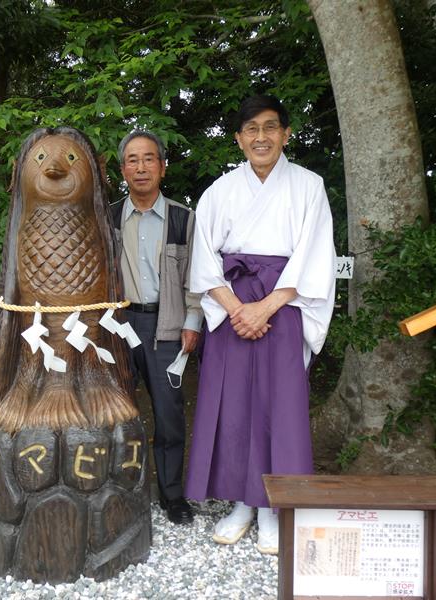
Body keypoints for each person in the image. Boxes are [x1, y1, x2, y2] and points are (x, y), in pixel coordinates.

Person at [185, 95, 336, 553]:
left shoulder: (309, 186)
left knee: (279, 407)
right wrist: (236, 309)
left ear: (286, 134)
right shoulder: (220, 191)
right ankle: (241, 504)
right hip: (233, 306)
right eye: (251, 129)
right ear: (238, 138)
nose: (261, 137)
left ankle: (275, 506)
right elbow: (204, 258)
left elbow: (315, 257)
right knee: (233, 406)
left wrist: (265, 307)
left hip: (283, 309)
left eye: (270, 127)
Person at [111, 130, 202, 525]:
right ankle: (119, 492)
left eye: (149, 159)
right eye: (133, 160)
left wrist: (193, 321)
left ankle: (171, 494)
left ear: (163, 167)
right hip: (117, 326)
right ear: (123, 169)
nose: (141, 167)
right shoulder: (109, 216)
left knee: (168, 414)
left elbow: (196, 277)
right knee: (115, 413)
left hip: (166, 326)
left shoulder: (183, 218)